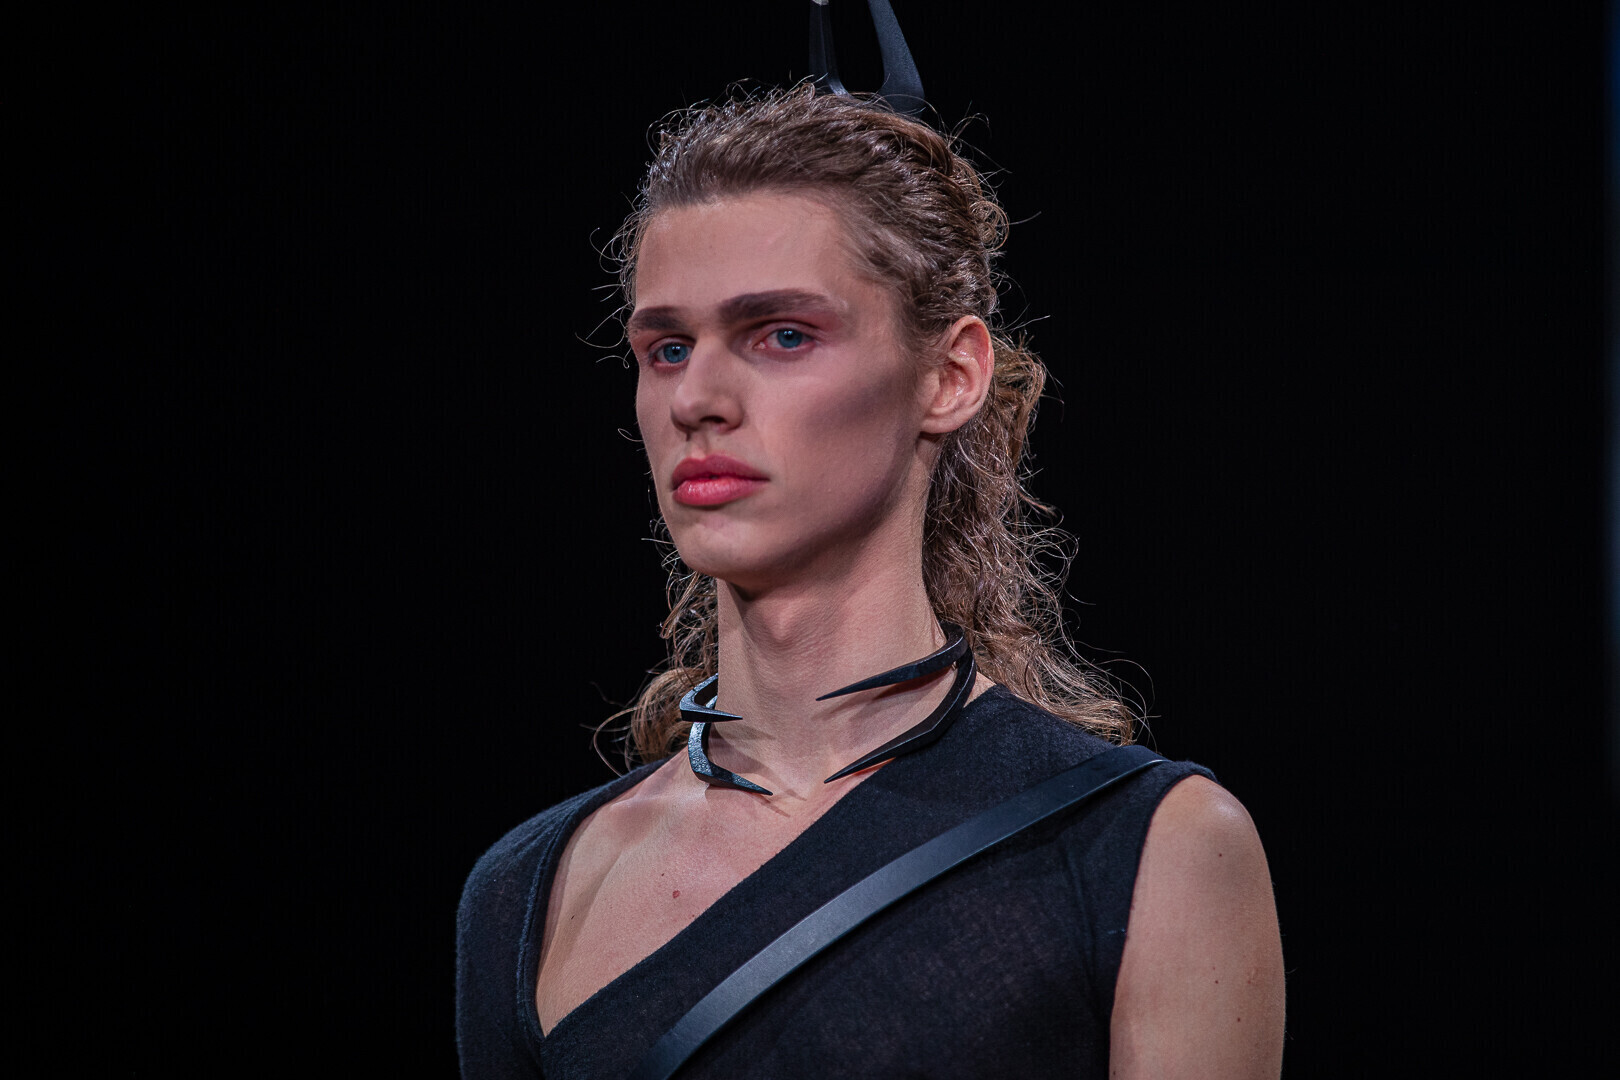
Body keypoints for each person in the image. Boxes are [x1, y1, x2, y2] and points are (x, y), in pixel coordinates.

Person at [457, 83, 1285, 1078]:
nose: (697, 399)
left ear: (951, 375)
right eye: (667, 349)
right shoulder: (534, 890)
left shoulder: (1139, 850)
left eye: (783, 334)